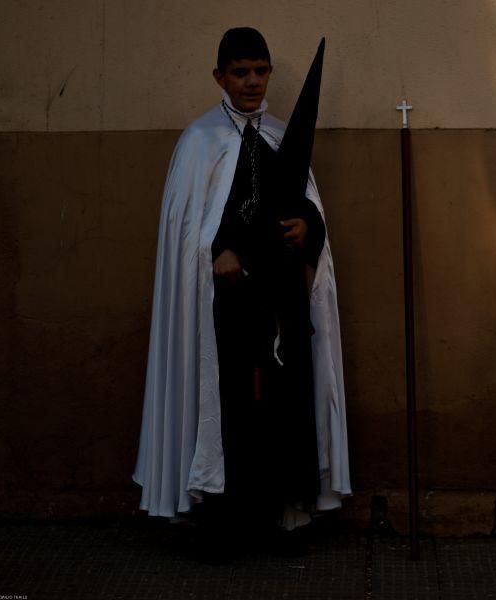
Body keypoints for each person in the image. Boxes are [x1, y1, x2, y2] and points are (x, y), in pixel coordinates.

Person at [133, 27, 350, 558]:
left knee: (277, 410)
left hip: (277, 305)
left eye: (261, 71)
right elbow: (189, 231)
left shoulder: (280, 137)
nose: (252, 82)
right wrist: (215, 254)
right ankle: (224, 522)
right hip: (223, 312)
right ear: (220, 77)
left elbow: (307, 210)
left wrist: (307, 230)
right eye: (240, 73)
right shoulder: (199, 141)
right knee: (231, 412)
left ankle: (277, 517)